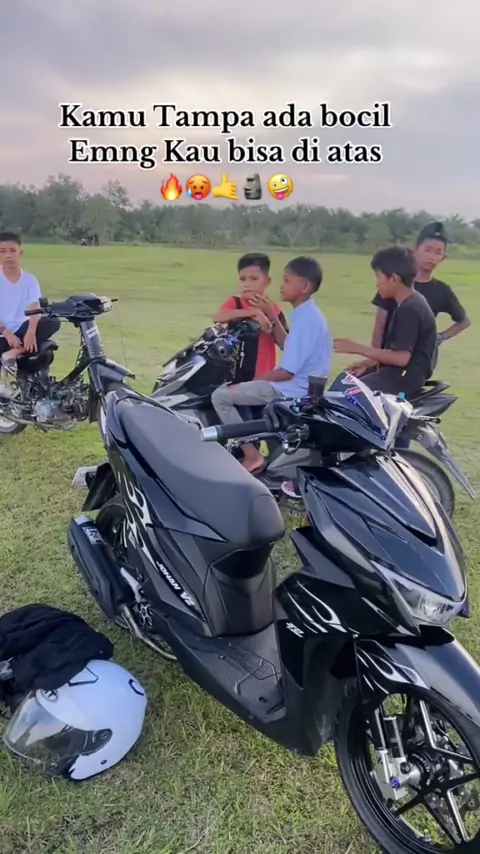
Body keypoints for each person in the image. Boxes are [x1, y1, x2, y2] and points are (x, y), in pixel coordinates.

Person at [212, 256, 332, 473]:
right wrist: (268, 316)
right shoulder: (307, 315)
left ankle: (252, 456)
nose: (281, 285)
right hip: (298, 385)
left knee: (220, 397)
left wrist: (257, 380)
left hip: (289, 388)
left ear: (304, 286)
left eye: (287, 280)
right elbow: (290, 346)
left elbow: (286, 372)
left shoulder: (305, 320)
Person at [334, 246, 437, 396]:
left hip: (404, 378)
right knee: (346, 379)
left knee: (344, 393)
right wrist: (369, 363)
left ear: (394, 278)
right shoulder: (411, 302)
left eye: (378, 277)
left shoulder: (409, 309)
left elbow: (401, 359)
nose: (377, 283)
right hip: (398, 374)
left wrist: (357, 348)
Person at [368, 221, 470, 355]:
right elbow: (380, 325)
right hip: (389, 355)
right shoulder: (395, 282)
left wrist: (439, 337)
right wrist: (375, 356)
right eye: (427, 250)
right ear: (415, 250)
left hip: (420, 360)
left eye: (438, 252)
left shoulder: (442, 290)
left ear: (443, 257)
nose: (431, 257)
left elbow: (464, 321)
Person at [213, 252, 288, 383]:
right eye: (243, 279)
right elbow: (218, 316)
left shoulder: (273, 309)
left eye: (254, 279)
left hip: (262, 378)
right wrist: (253, 312)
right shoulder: (235, 303)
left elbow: (285, 345)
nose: (247, 284)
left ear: (267, 281)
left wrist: (269, 315)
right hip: (233, 376)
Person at [0, 231, 60, 374]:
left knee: (53, 321)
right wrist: (7, 334)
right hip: (2, 334)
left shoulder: (29, 280)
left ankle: (14, 352)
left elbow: (35, 307)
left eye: (12, 250)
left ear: (20, 252)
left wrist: (31, 332)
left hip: (21, 330)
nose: (8, 256)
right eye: (2, 251)